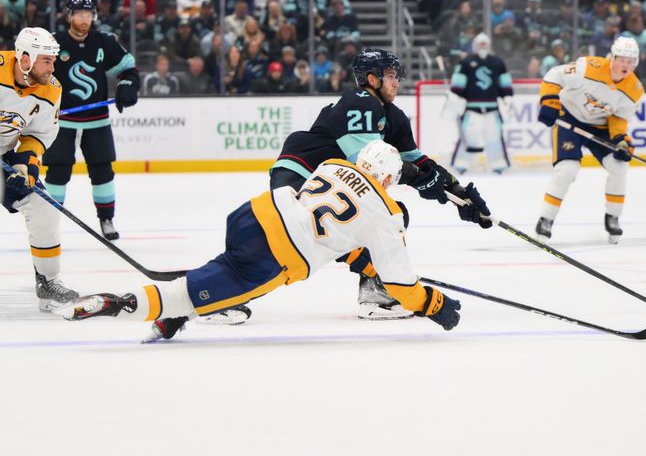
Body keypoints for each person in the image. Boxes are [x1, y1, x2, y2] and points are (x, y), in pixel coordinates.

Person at [56, 142, 463, 341]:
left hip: (254, 214)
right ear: (390, 179)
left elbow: (341, 237)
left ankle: (183, 312)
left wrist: (365, 262)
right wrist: (435, 305)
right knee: (193, 291)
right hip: (278, 256)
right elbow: (401, 289)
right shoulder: (387, 212)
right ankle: (119, 303)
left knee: (224, 266)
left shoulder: (334, 165)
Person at [264, 48, 491, 321]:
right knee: (289, 238)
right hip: (301, 172)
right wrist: (423, 181)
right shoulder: (358, 102)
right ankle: (224, 286)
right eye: (391, 75)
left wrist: (457, 192)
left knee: (375, 219)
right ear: (372, 79)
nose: (397, 82)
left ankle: (377, 292)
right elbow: (368, 163)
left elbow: (417, 162)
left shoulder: (393, 116)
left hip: (330, 183)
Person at [43, 0, 140, 241]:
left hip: (97, 120)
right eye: (79, 14)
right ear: (69, 16)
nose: (84, 20)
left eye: (88, 15)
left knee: (102, 171)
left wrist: (128, 85)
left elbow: (129, 69)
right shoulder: (54, 44)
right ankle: (49, 222)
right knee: (58, 171)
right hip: (61, 120)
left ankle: (106, 219)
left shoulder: (103, 42)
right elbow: (37, 77)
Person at [534, 36, 643, 244]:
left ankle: (613, 217)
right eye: (622, 59)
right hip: (569, 118)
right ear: (613, 57)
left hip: (600, 127)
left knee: (619, 166)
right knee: (566, 170)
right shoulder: (589, 67)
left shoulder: (635, 89)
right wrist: (549, 101)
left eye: (630, 61)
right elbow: (554, 75)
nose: (625, 65)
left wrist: (621, 140)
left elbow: (619, 118)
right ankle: (545, 219)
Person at [0, 27, 80, 310]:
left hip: (3, 156)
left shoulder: (51, 89)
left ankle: (47, 282)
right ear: (25, 58)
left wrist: (25, 167)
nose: (52, 67)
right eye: (47, 60)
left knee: (44, 207)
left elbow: (37, 135)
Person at [449, 33, 513, 174]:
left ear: (489, 45)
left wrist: (507, 97)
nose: (482, 46)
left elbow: (505, 84)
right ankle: (461, 165)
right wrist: (455, 98)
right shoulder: (466, 62)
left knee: (495, 137)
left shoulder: (498, 62)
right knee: (468, 137)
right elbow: (457, 86)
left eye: (485, 44)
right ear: (475, 46)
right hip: (472, 110)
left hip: (492, 110)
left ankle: (498, 165)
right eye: (480, 44)